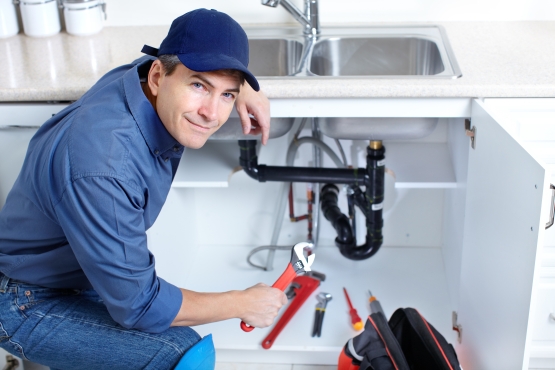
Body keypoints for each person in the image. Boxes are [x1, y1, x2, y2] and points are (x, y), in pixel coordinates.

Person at [0, 9, 287, 369]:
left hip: (73, 269)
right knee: (182, 354)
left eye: (225, 95)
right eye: (199, 86)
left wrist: (240, 89)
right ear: (158, 77)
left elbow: (186, 65)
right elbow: (139, 306)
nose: (212, 113)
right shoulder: (105, 167)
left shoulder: (140, 78)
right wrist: (240, 303)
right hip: (25, 300)